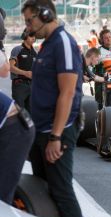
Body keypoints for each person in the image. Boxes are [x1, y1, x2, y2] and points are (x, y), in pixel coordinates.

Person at [22, 0, 83, 217]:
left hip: (56, 132)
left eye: (30, 20)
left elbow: (67, 94)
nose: (28, 27)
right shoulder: (47, 45)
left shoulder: (63, 43)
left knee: (61, 192)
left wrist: (56, 136)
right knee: (43, 191)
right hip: (42, 131)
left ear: (46, 14)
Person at [0, 10, 35, 205]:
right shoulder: (15, 51)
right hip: (18, 90)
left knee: (2, 198)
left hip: (15, 128)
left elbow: (4, 70)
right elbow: (7, 70)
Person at [9, 29, 37, 112]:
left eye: (34, 36)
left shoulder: (35, 52)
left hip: (32, 86)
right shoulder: (17, 49)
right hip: (20, 86)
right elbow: (10, 67)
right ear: (25, 36)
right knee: (20, 113)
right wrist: (25, 73)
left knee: (32, 113)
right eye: (31, 36)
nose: (33, 38)